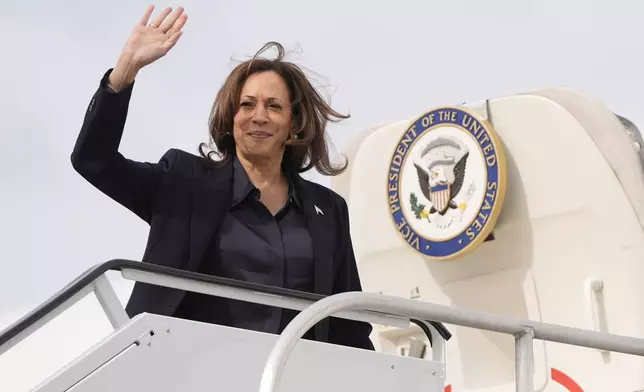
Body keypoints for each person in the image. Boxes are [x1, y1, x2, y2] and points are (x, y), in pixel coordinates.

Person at [71, 5, 374, 350]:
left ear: (295, 124)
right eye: (247, 105)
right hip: (186, 370)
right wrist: (125, 71)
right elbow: (93, 161)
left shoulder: (328, 209)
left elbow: (349, 326)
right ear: (232, 118)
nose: (258, 116)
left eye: (274, 106)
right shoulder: (183, 182)